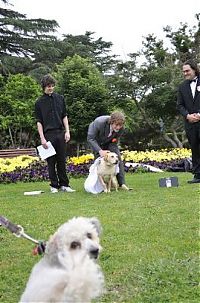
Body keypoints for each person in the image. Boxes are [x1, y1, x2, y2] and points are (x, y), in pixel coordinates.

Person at [35, 74, 75, 193]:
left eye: (52, 86)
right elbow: (39, 122)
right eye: (48, 86)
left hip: (60, 132)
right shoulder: (39, 103)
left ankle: (64, 185)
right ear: (43, 87)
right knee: (51, 161)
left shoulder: (60, 98)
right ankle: (54, 185)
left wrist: (67, 131)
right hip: (48, 135)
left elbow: (64, 116)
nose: (51, 88)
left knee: (61, 160)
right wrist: (42, 138)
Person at [87, 111, 131, 190]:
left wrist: (112, 152)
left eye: (120, 125)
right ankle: (99, 186)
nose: (118, 127)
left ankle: (122, 184)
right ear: (111, 122)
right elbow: (90, 138)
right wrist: (100, 151)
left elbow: (115, 141)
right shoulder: (99, 122)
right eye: (116, 125)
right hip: (96, 142)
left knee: (117, 158)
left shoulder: (121, 129)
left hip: (110, 143)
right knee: (98, 162)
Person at [177, 59, 200, 184]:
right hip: (190, 124)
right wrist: (187, 116)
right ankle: (197, 175)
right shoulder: (182, 87)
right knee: (195, 149)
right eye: (183, 71)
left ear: (194, 70)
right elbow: (180, 105)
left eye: (187, 71)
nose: (185, 73)